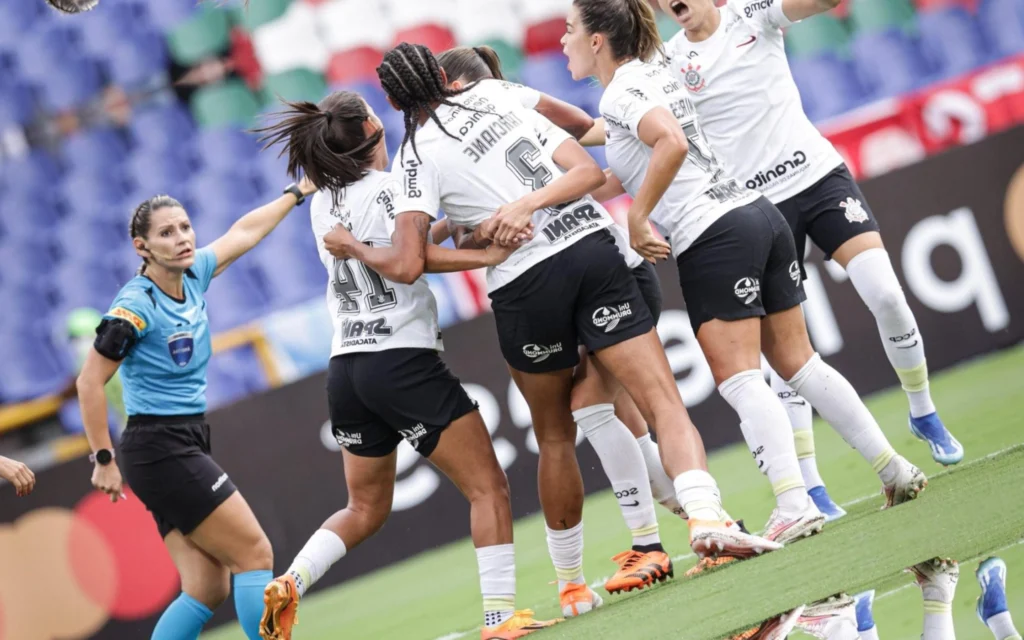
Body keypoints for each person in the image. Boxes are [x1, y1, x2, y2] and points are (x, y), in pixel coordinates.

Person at [376, 41, 779, 616]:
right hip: (590, 249)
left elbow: (410, 259)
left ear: (391, 99)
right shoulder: (497, 91)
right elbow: (588, 165)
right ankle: (705, 516)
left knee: (558, 434)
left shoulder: (412, 159)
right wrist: (509, 208)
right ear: (444, 74)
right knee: (659, 400)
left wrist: (486, 245)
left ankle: (573, 584)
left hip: (522, 286)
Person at [561, 0, 928, 545]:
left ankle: (793, 500)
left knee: (740, 379)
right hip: (758, 215)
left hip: (713, 234)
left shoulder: (623, 92)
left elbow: (670, 140)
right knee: (799, 365)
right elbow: (620, 146)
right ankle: (893, 468)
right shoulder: (658, 70)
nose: (563, 40)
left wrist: (639, 217)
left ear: (597, 41)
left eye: (570, 30)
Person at [252, 91, 557, 640]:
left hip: (346, 368)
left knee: (364, 507)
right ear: (372, 126)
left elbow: (404, 243)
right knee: (488, 487)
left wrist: (454, 229)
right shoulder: (392, 188)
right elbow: (408, 262)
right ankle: (499, 619)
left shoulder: (325, 203)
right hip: (402, 359)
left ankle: (293, 580)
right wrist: (486, 254)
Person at [652, 0, 964, 503]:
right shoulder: (666, 63)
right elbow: (638, 126)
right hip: (759, 210)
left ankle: (923, 411)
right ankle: (813, 486)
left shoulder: (751, 15)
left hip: (818, 178)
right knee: (788, 355)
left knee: (885, 294)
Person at [436, 44, 675, 594]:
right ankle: (693, 522)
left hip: (598, 267)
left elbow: (586, 138)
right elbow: (584, 130)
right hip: (605, 263)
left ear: (453, 83)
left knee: (592, 408)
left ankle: (655, 542)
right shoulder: (511, 108)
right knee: (622, 416)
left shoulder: (485, 105)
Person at [76, 181, 317, 640]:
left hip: (177, 442)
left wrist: (297, 192)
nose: (183, 238)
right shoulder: (134, 308)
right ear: (142, 247)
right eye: (167, 233)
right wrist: (102, 459)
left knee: (206, 588)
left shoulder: (193, 274)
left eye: (185, 227)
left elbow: (245, 232)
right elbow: (89, 381)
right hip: (158, 448)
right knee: (255, 555)